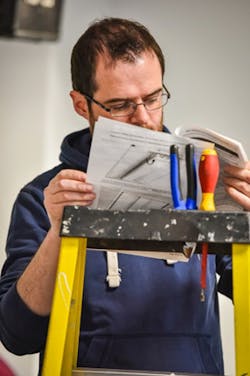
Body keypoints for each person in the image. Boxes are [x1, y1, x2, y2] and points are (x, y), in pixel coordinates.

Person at [0, 17, 250, 375]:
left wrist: (248, 225)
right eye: (119, 105)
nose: (144, 118)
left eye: (152, 97)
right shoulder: (43, 198)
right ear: (81, 104)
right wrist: (60, 229)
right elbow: (17, 335)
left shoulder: (204, 185)